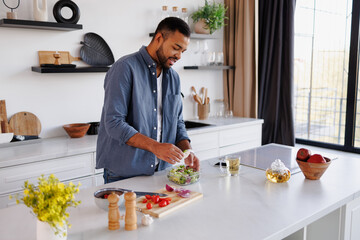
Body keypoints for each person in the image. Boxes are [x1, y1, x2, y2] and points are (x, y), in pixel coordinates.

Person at [96, 17, 200, 184]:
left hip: (161, 172)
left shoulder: (174, 78)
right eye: (176, 48)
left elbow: (178, 123)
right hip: (124, 173)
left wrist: (188, 151)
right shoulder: (124, 68)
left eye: (183, 51)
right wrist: (155, 147)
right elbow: (113, 123)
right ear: (159, 38)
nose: (179, 56)